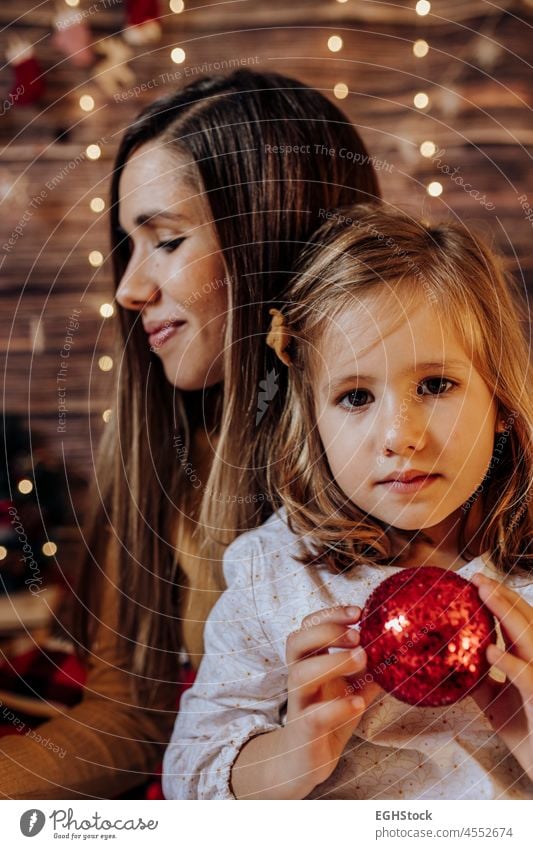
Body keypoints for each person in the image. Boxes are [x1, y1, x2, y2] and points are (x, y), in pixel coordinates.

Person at [0, 71, 380, 798]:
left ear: (271, 235)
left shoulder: (406, 460)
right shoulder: (168, 457)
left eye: (166, 240)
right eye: (128, 245)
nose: (130, 287)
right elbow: (130, 716)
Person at [163, 204, 533, 800]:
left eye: (436, 385)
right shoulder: (276, 574)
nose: (400, 436)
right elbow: (191, 773)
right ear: (314, 423)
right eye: (356, 396)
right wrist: (293, 751)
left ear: (502, 401)